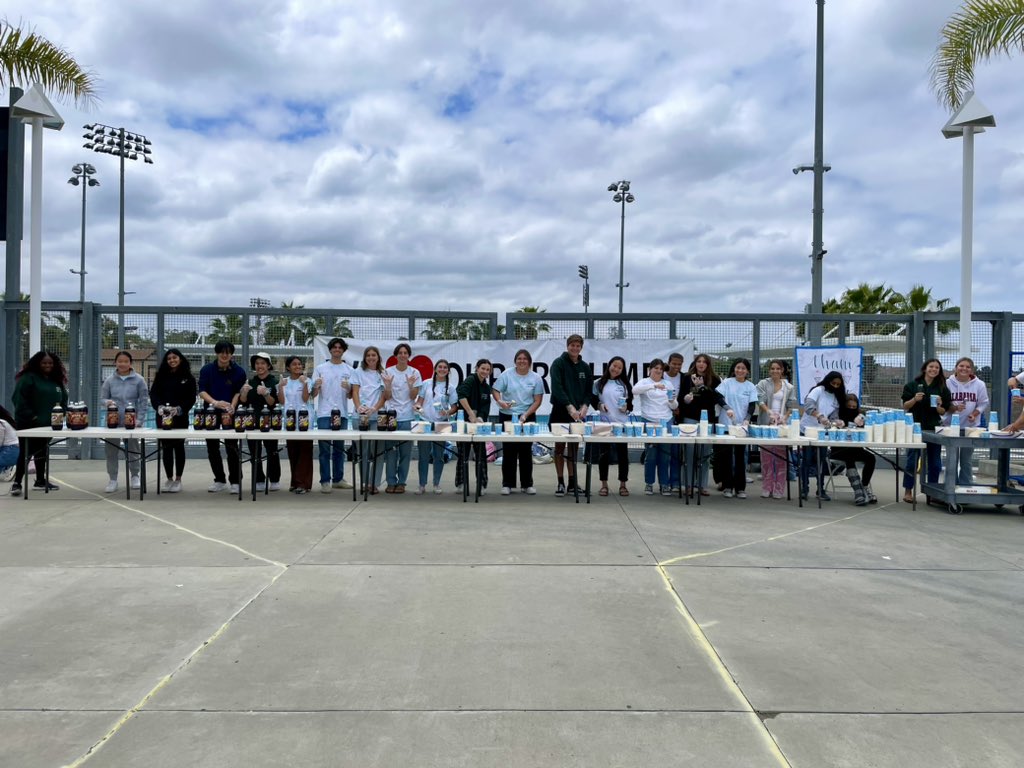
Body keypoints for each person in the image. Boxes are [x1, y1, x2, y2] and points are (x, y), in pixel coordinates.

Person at [11, 350, 68, 496]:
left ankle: (40, 480)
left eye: (50, 363)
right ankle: (17, 483)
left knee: (42, 451)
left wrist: (63, 414)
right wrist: (33, 417)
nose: (47, 365)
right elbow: (19, 399)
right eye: (44, 363)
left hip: (50, 425)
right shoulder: (28, 378)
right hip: (28, 424)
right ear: (37, 363)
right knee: (26, 451)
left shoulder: (56, 380)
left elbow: (64, 400)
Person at [492, 348, 544, 495]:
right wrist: (500, 401)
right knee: (509, 450)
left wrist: (526, 415)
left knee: (525, 450)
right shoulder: (506, 374)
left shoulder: (536, 378)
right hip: (508, 416)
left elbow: (538, 400)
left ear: (529, 362)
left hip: (527, 416)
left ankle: (527, 484)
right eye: (519, 358)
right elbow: (495, 390)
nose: (522, 361)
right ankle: (507, 484)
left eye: (525, 359)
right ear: (515, 361)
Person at [198, 340, 247, 494]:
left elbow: (238, 392)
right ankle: (219, 479)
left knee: (232, 447)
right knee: (212, 448)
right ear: (217, 353)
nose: (224, 355)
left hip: (230, 413)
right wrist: (215, 403)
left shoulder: (239, 371)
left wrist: (232, 406)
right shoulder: (207, 370)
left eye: (228, 352)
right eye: (221, 352)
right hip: (211, 412)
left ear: (232, 354)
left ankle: (235, 481)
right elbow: (202, 391)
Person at [900, 359, 951, 504]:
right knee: (912, 460)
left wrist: (940, 405)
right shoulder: (913, 385)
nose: (933, 369)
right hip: (915, 427)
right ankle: (908, 491)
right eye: (931, 367)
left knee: (935, 462)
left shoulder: (942, 388)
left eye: (936, 368)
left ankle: (932, 491)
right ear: (925, 368)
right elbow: (905, 406)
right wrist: (915, 399)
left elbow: (943, 412)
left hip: (933, 428)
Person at [100, 351, 150, 494]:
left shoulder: (139, 380)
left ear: (130, 363)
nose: (122, 364)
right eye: (119, 361)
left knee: (133, 450)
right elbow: (102, 399)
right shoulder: (109, 380)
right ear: (115, 363)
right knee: (111, 451)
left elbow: (143, 401)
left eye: (125, 361)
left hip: (132, 423)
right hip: (112, 422)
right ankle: (113, 479)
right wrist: (107, 402)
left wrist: (139, 420)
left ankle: (135, 476)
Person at [149, 348, 197, 493]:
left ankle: (178, 479)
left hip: (180, 419)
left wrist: (180, 409)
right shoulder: (160, 376)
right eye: (169, 358)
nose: (172, 360)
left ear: (180, 359)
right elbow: (154, 395)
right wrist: (159, 407)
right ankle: (169, 479)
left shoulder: (188, 377)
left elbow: (191, 398)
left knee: (179, 447)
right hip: (163, 418)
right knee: (166, 449)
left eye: (174, 357)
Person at [678, 354, 727, 496]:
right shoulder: (687, 377)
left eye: (704, 362)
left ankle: (701, 485)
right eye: (699, 361)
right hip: (690, 418)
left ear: (708, 364)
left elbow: (715, 399)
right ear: (695, 363)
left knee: (704, 454)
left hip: (707, 419)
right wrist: (686, 399)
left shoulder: (715, 379)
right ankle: (687, 484)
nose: (701, 364)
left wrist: (703, 387)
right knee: (689, 452)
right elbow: (681, 397)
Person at [311, 337, 355, 493]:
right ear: (330, 350)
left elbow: (351, 396)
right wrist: (316, 386)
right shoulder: (321, 368)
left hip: (342, 413)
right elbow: (313, 394)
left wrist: (349, 388)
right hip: (324, 413)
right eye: (334, 347)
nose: (337, 349)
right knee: (324, 449)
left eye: (340, 347)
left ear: (343, 350)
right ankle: (325, 480)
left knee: (339, 448)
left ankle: (338, 479)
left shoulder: (349, 370)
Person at [549, 334, 590, 496]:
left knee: (573, 449)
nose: (575, 348)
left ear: (581, 347)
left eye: (578, 345)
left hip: (577, 415)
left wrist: (585, 406)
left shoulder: (585, 367)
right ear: (567, 346)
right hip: (561, 412)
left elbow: (588, 390)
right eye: (572, 345)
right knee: (559, 448)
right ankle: (560, 482)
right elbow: (557, 388)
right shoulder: (558, 364)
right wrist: (569, 407)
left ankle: (573, 483)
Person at [799, 371, 847, 501]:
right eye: (833, 383)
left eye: (838, 384)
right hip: (808, 430)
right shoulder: (818, 390)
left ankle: (820, 489)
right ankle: (804, 489)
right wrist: (819, 416)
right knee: (807, 460)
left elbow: (833, 415)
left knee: (821, 461)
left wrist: (836, 421)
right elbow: (808, 406)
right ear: (828, 381)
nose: (835, 386)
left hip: (822, 432)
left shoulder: (836, 397)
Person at [633, 359, 678, 496]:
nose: (658, 371)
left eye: (661, 369)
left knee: (665, 454)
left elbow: (674, 406)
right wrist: (653, 386)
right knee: (651, 454)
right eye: (656, 368)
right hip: (649, 420)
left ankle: (664, 484)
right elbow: (634, 390)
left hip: (666, 420)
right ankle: (649, 483)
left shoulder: (668, 384)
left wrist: (672, 401)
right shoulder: (644, 382)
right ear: (650, 369)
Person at [756, 359, 798, 499]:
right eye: (772, 368)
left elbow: (791, 405)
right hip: (766, 424)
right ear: (769, 370)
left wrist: (784, 417)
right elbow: (760, 400)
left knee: (781, 458)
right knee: (766, 457)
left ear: (782, 371)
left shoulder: (789, 387)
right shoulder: (763, 384)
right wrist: (769, 412)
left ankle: (779, 488)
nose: (775, 371)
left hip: (781, 425)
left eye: (777, 369)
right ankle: (767, 487)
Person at [414, 359, 458, 494]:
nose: (442, 369)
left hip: (442, 423)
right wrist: (417, 407)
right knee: (423, 455)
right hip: (425, 422)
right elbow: (419, 402)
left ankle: (436, 484)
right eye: (440, 367)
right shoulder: (426, 383)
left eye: (445, 367)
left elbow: (455, 407)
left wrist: (447, 412)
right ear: (435, 369)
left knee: (439, 455)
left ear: (448, 371)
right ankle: (422, 484)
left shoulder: (450, 387)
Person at [383, 343, 422, 494]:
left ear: (409, 355)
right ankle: (391, 482)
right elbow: (386, 397)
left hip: (407, 417)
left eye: (405, 353)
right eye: (400, 352)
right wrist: (387, 386)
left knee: (406, 453)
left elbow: (413, 396)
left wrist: (411, 385)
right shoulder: (388, 372)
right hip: (391, 417)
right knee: (391, 452)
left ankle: (402, 482)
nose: (403, 355)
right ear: (395, 355)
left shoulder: (415, 372)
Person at [350, 346, 390, 494]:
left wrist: (375, 408)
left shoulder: (383, 373)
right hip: (360, 417)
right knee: (363, 452)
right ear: (364, 358)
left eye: (374, 355)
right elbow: (355, 391)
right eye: (368, 355)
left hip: (377, 417)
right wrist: (359, 407)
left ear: (378, 357)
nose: (371, 358)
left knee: (378, 452)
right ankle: (365, 482)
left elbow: (384, 396)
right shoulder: (357, 372)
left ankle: (374, 483)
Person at [945, 356, 990, 485]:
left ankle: (966, 485)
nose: (964, 368)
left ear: (972, 370)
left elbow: (983, 403)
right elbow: (943, 403)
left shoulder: (979, 384)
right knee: (952, 458)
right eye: (961, 366)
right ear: (956, 368)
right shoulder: (947, 383)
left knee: (966, 459)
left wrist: (974, 414)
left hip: (970, 427)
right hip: (950, 427)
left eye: (968, 367)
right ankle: (951, 485)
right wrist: (954, 408)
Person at [241, 352, 281, 492]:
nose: (260, 366)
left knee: (272, 451)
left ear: (268, 365)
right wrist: (244, 393)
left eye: (263, 363)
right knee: (254, 453)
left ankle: (274, 478)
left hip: (269, 422)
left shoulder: (273, 381)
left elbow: (273, 403)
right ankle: (258, 478)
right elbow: (244, 402)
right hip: (252, 422)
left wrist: (266, 394)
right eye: (257, 363)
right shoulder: (250, 382)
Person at [592, 356, 632, 497]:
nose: (616, 369)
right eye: (614, 366)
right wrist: (599, 405)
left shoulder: (625, 384)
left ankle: (623, 484)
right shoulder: (598, 383)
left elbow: (631, 404)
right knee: (604, 455)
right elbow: (593, 399)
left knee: (623, 455)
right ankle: (604, 484)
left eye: (619, 368)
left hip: (621, 424)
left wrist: (626, 408)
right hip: (604, 424)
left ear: (622, 370)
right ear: (609, 365)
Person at [714, 358, 753, 498]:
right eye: (738, 367)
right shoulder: (726, 383)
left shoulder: (750, 386)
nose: (740, 370)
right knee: (726, 457)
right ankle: (728, 487)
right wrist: (727, 408)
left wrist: (747, 419)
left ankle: (740, 488)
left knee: (740, 457)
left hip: (741, 427)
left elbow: (752, 405)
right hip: (726, 425)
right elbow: (717, 396)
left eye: (743, 368)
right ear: (734, 369)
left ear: (747, 371)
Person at [830, 393, 877, 505]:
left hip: (856, 449)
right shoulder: (838, 415)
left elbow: (865, 433)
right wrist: (838, 424)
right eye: (849, 406)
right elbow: (831, 428)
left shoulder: (860, 416)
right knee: (849, 457)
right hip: (839, 450)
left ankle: (864, 487)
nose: (851, 409)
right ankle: (858, 490)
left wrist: (863, 423)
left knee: (871, 458)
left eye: (854, 407)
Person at [457, 359, 493, 495]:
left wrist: (480, 418)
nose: (485, 371)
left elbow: (486, 406)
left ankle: (482, 484)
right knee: (463, 454)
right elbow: (461, 396)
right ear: (477, 368)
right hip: (464, 423)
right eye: (482, 368)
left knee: (481, 455)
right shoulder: (470, 380)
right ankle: (461, 483)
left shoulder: (486, 387)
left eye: (487, 369)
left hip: (479, 425)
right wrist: (470, 413)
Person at [278, 355, 313, 494]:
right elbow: (281, 401)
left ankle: (303, 484)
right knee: (293, 451)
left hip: (304, 420)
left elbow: (305, 399)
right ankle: (295, 482)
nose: (298, 366)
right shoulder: (284, 381)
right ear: (288, 367)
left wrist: (305, 383)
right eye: (294, 364)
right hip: (290, 420)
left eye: (300, 364)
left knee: (305, 452)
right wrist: (280, 387)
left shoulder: (307, 380)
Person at [664, 352, 685, 492]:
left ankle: (676, 482)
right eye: (674, 363)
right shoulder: (662, 376)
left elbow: (686, 396)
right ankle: (664, 482)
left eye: (679, 364)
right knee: (665, 451)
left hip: (679, 417)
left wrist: (679, 409)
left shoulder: (684, 378)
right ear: (669, 362)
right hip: (665, 416)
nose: (676, 366)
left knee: (677, 451)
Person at [0, 405, 20, 485]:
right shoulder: (7, 419)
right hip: (15, 450)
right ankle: (7, 468)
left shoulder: (0, 422)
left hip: (10, 451)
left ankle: (9, 468)